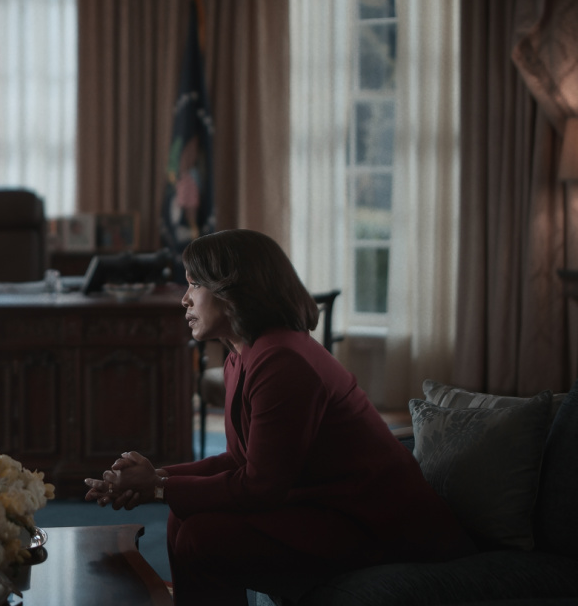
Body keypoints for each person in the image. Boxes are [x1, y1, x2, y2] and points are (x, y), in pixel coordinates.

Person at [84, 229, 472, 605]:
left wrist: (157, 487)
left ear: (233, 292)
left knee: (203, 536)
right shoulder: (244, 353)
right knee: (183, 521)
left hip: (379, 526)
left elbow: (260, 486)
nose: (184, 299)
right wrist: (156, 478)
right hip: (329, 508)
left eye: (195, 285)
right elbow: (241, 459)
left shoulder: (281, 361)